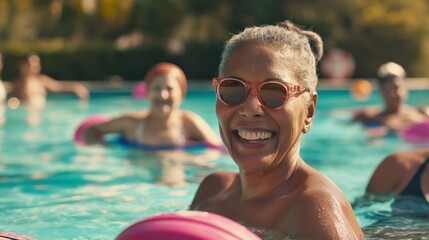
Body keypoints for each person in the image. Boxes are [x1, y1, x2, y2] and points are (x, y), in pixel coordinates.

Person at [190, 20, 363, 239]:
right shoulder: (212, 191)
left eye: (274, 92)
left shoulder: (313, 208)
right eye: (233, 89)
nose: (250, 109)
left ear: (309, 111)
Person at [82, 62, 223, 149]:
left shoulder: (189, 122)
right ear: (147, 92)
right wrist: (103, 149)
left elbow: (218, 149)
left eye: (169, 89)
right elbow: (90, 131)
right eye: (156, 88)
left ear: (182, 94)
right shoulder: (132, 123)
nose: (163, 95)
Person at [352, 62, 429, 134]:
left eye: (397, 88)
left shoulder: (422, 113)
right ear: (381, 92)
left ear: (405, 88)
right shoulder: (370, 116)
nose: (394, 94)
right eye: (388, 90)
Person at [8, 53, 89, 108]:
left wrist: (75, 88)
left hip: (42, 111)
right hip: (28, 111)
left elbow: (58, 87)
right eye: (31, 64)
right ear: (23, 65)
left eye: (36, 63)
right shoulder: (18, 83)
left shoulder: (41, 80)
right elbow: (12, 102)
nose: (34, 66)